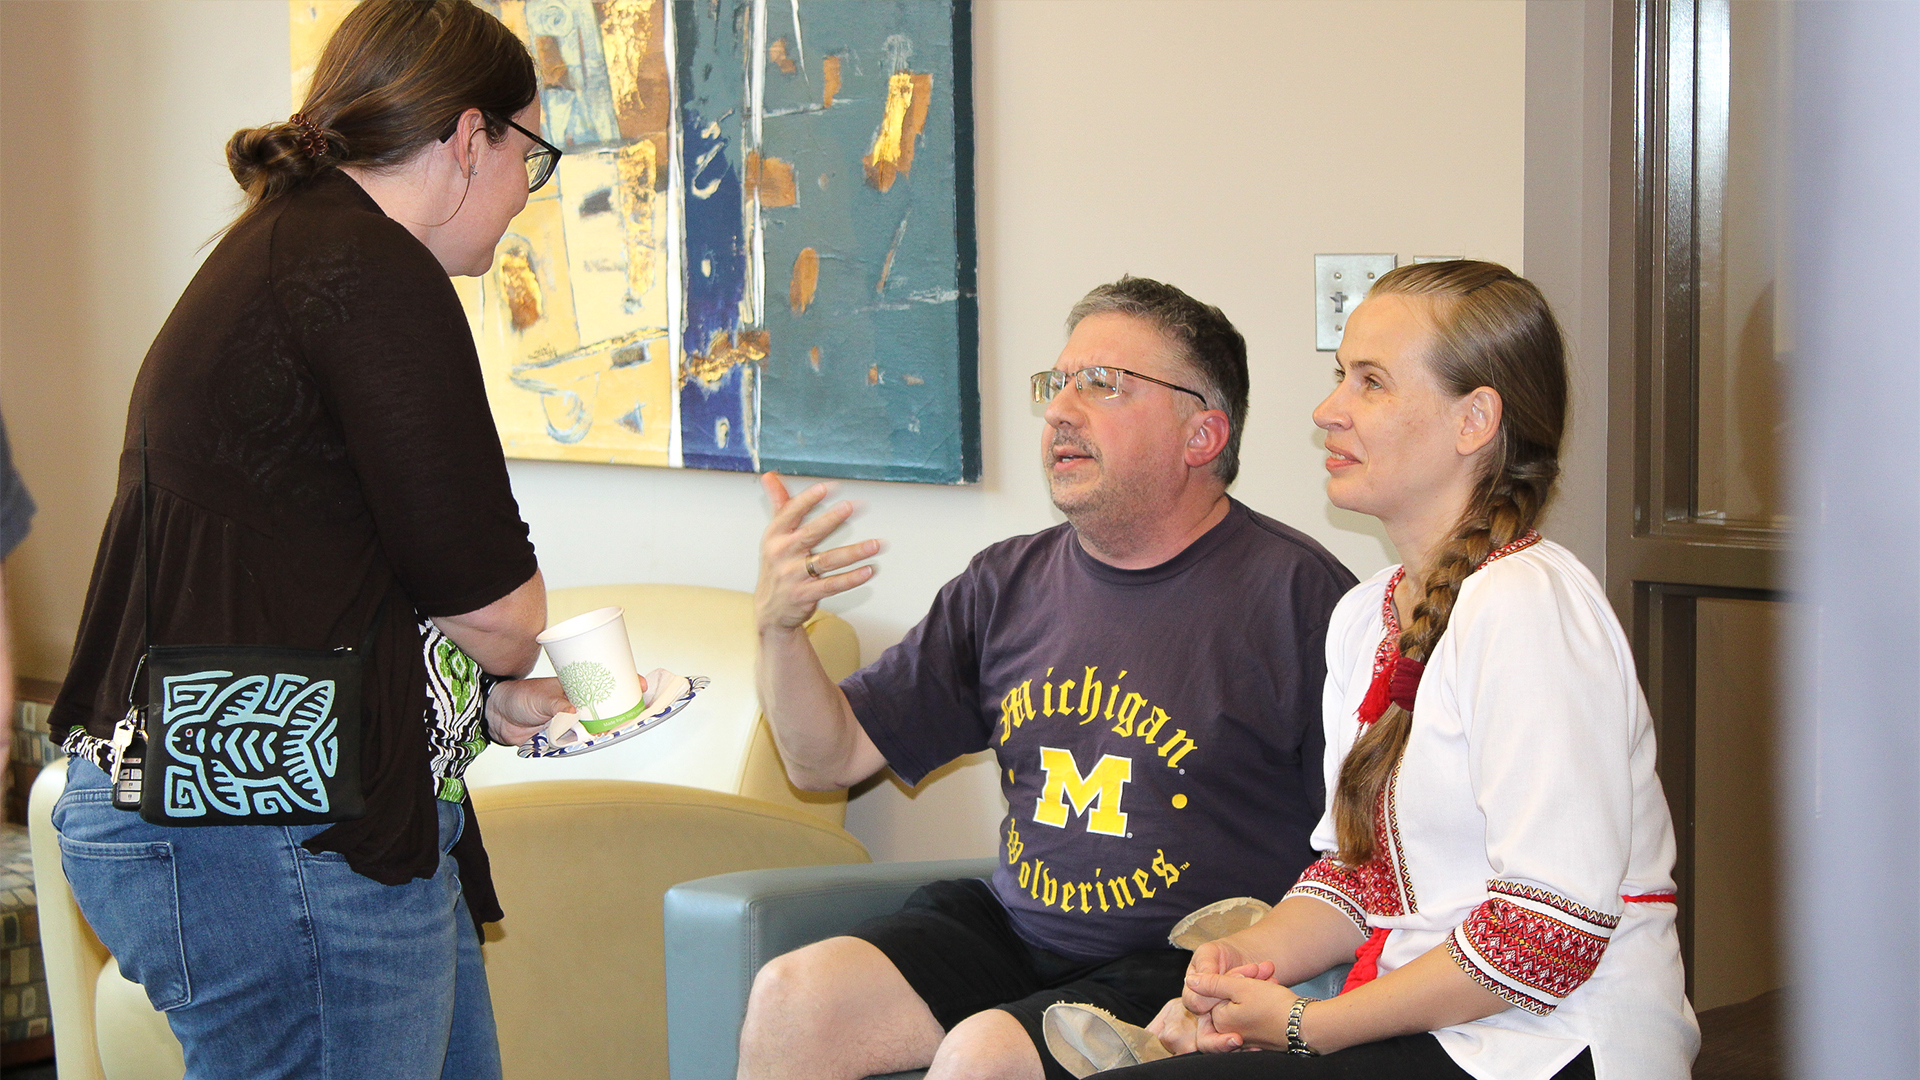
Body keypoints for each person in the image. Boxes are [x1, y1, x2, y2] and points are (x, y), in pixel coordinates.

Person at [47, 3, 573, 1077]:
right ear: (470, 139)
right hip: (273, 828)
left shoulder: (289, 246)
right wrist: (503, 658)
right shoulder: (370, 273)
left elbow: (321, 576)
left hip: (245, 797)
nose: (530, 190)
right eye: (534, 152)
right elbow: (502, 613)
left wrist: (477, 693)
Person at [1068, 260, 1696, 1079]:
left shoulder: (1527, 606)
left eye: (1371, 383)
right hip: (1440, 1031)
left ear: (1475, 420)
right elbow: (1355, 878)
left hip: (1552, 1045)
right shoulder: (1367, 613)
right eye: (1340, 378)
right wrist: (1242, 962)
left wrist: (1309, 1024)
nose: (1329, 412)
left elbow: (1550, 936)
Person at [741, 276, 1359, 1080]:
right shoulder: (1004, 584)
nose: (1061, 411)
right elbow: (823, 762)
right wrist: (778, 629)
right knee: (793, 996)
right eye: (1056, 384)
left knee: (982, 1055)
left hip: (1187, 967)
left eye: (1103, 385)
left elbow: (1380, 846)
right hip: (1014, 931)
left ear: (1201, 435)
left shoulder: (1303, 600)